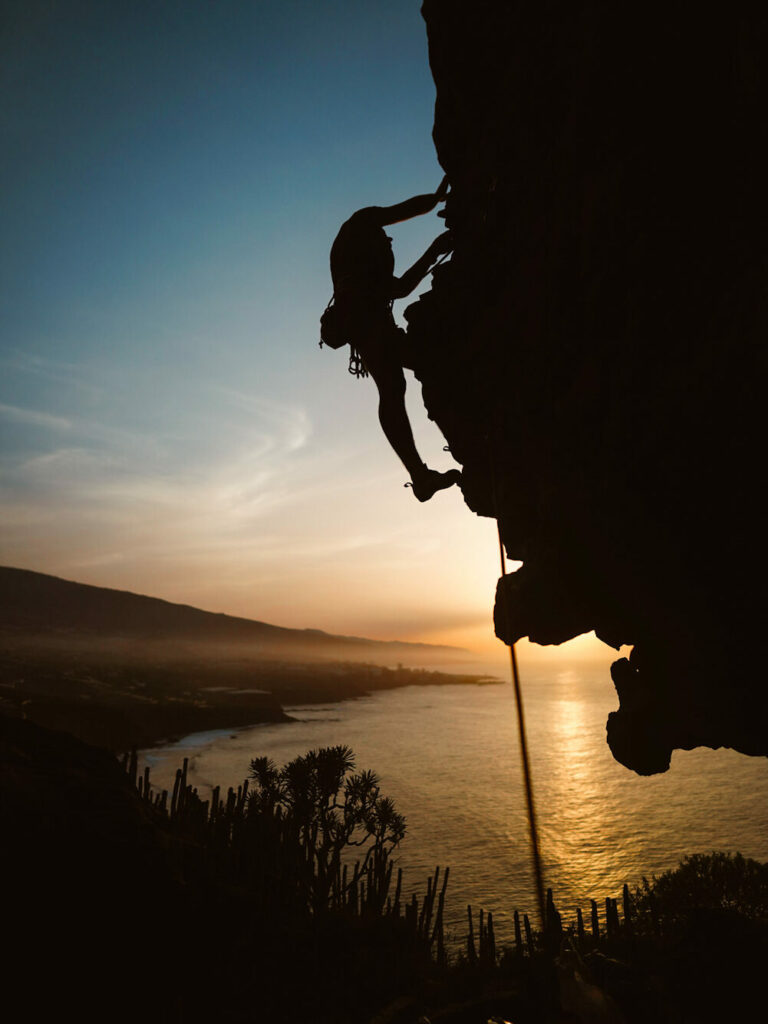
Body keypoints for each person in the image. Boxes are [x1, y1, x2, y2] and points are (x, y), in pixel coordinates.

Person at [329, 177, 461, 501]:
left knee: (396, 386)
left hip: (366, 323)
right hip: (366, 323)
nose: (389, 244)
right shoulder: (356, 248)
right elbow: (399, 288)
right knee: (397, 385)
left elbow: (402, 211)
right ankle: (424, 471)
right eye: (386, 242)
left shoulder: (360, 226)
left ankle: (422, 473)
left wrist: (434, 199)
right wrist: (434, 250)